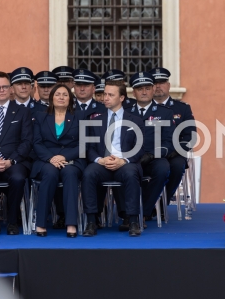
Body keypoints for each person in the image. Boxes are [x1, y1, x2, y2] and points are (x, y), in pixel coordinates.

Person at [81, 82, 145, 237]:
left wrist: (124, 160)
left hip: (124, 163)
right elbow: (87, 147)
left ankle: (133, 220)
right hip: (102, 163)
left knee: (131, 174)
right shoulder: (95, 119)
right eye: (104, 94)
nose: (105, 98)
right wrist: (98, 160)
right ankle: (91, 220)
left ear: (122, 97)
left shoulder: (135, 120)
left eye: (111, 95)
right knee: (88, 173)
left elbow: (141, 147)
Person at [0, 71, 33, 236]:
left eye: (4, 86)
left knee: (18, 179)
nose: (1, 90)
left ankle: (12, 222)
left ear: (11, 89)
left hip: (14, 162)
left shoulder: (23, 111)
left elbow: (27, 142)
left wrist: (11, 160)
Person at [31, 85, 85, 238]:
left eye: (65, 95)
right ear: (52, 98)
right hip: (46, 160)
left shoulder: (80, 116)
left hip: (72, 160)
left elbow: (84, 143)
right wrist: (50, 158)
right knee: (49, 172)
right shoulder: (40, 116)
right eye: (58, 94)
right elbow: (36, 142)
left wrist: (64, 157)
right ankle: (41, 223)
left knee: (70, 173)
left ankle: (71, 223)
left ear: (70, 99)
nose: (61, 97)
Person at [125, 72, 174, 222]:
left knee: (163, 168)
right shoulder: (125, 112)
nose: (144, 92)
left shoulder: (165, 113)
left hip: (153, 157)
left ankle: (145, 210)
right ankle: (126, 212)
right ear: (133, 92)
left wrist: (152, 155)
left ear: (153, 89)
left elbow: (168, 141)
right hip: (130, 157)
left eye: (147, 88)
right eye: (140, 89)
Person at [151, 67, 196, 204]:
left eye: (162, 82)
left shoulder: (182, 108)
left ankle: (162, 202)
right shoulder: (143, 108)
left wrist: (176, 151)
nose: (158, 86)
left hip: (174, 154)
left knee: (177, 166)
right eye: (155, 83)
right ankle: (149, 200)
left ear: (168, 85)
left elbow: (190, 135)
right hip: (150, 153)